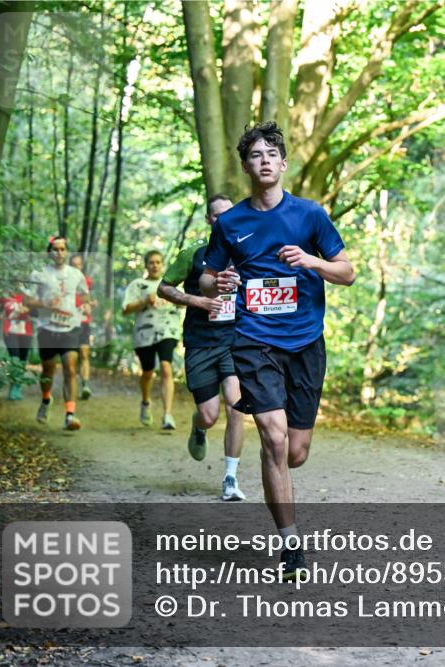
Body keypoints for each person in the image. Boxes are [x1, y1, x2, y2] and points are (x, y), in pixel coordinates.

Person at [200, 122, 355, 578]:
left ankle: (276, 470)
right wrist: (219, 281)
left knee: (295, 451)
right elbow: (207, 278)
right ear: (246, 167)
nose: (264, 161)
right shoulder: (231, 223)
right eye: (255, 155)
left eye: (271, 154)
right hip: (253, 339)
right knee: (273, 436)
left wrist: (311, 261)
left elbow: (347, 273)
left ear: (283, 164)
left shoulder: (310, 215)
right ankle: (291, 547)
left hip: (305, 341)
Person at [159, 195, 247, 501]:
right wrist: (197, 300)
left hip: (236, 340)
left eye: (229, 214)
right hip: (201, 342)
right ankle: (199, 427)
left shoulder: (248, 251)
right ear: (209, 220)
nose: (224, 220)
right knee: (209, 415)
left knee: (236, 406)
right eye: (217, 215)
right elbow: (163, 287)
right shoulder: (194, 253)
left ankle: (230, 478)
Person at [24, 235, 90, 430]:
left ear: (66, 252)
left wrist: (85, 305)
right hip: (47, 328)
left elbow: (84, 295)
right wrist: (45, 303)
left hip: (70, 328)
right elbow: (27, 301)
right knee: (48, 370)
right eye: (56, 249)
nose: (59, 253)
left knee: (70, 368)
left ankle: (70, 415)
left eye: (62, 249)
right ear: (49, 252)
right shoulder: (38, 274)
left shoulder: (76, 274)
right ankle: (46, 399)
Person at [122, 250, 183, 430]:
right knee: (148, 372)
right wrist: (143, 301)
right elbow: (125, 309)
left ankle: (167, 415)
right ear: (146, 265)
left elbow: (185, 302)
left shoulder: (171, 284)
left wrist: (173, 297)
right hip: (144, 335)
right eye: (151, 262)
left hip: (168, 331)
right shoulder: (137, 285)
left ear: (162, 265)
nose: (155, 265)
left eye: (158, 262)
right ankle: (145, 402)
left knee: (166, 367)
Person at [69, 253, 96, 399]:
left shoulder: (88, 281)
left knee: (85, 353)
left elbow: (92, 299)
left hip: (84, 322)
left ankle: (85, 385)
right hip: (69, 323)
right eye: (73, 265)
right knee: (72, 357)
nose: (76, 268)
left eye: (78, 265)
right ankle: (71, 383)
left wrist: (91, 304)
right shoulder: (65, 282)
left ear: (82, 266)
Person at [0, 289, 33, 400]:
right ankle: (13, 387)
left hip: (25, 331)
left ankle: (17, 386)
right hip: (9, 331)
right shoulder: (4, 297)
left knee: (22, 360)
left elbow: (36, 313)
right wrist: (1, 315)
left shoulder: (27, 297)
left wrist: (27, 309)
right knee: (14, 359)